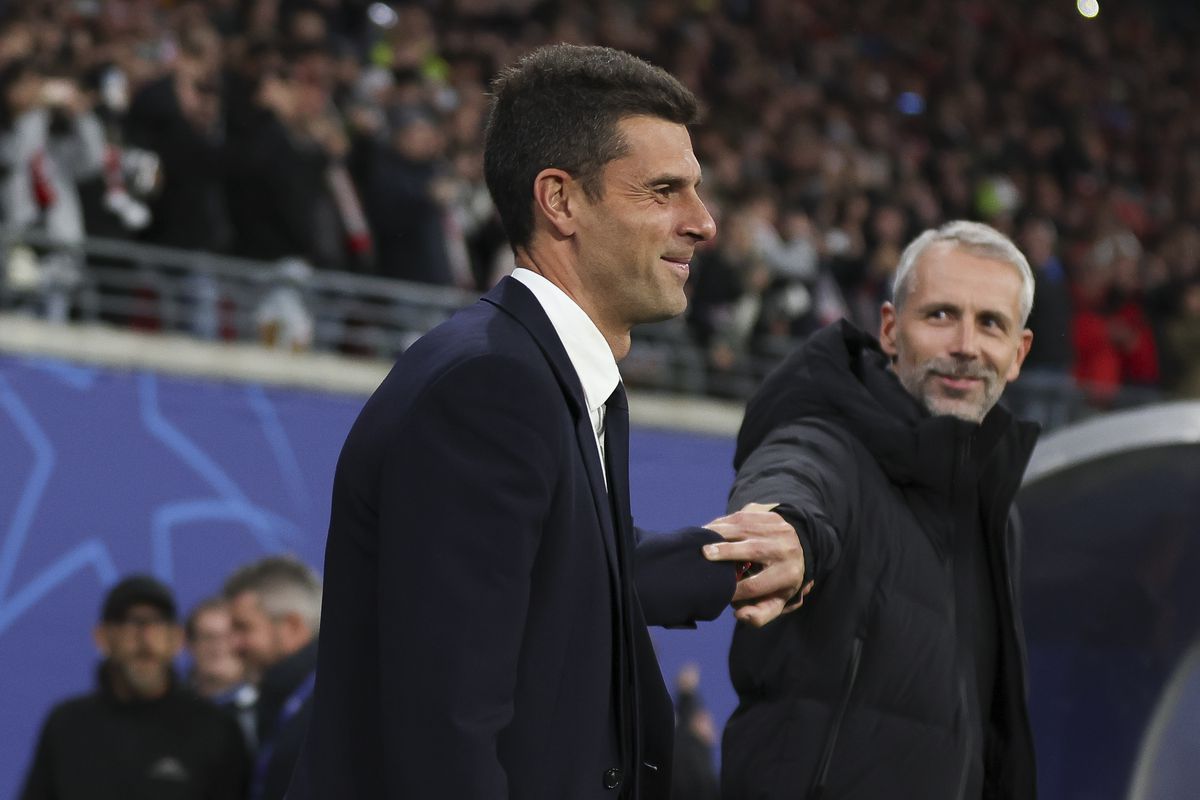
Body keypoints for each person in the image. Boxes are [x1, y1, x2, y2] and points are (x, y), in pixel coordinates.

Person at [287, 44, 804, 800]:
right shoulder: (492, 389)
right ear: (560, 201)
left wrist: (732, 561)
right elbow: (447, 730)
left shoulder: (533, 370)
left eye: (695, 191)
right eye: (663, 191)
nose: (704, 223)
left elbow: (570, 566)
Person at [721, 220, 1039, 799]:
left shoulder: (998, 515)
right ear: (891, 330)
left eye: (990, 323)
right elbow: (795, 475)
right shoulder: (828, 443)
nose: (966, 346)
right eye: (940, 315)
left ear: (1017, 354)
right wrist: (786, 530)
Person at [19, 575, 249, 799]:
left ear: (177, 639)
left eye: (157, 621)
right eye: (129, 622)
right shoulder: (66, 725)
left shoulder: (215, 729)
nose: (144, 635)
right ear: (102, 637)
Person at [223, 555, 321, 800]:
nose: (234, 645)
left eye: (243, 627)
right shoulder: (272, 704)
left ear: (292, 627)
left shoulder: (339, 707)